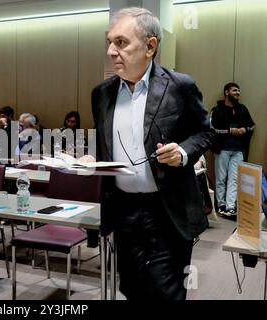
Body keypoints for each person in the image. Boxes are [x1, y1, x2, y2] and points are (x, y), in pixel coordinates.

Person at [92, 7, 213, 300]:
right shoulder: (102, 93)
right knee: (132, 288)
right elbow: (107, 148)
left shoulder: (179, 86)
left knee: (164, 291)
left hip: (167, 210)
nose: (111, 51)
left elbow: (205, 132)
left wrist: (183, 151)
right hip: (124, 211)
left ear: (150, 46)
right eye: (109, 42)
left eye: (121, 43)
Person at [210, 83, 255, 217]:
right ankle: (221, 205)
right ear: (226, 92)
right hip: (222, 149)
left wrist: (244, 129)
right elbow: (211, 129)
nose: (238, 93)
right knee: (221, 179)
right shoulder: (217, 110)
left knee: (234, 179)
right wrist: (229, 130)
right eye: (234, 90)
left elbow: (252, 126)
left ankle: (230, 207)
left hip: (238, 150)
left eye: (239, 91)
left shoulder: (242, 109)